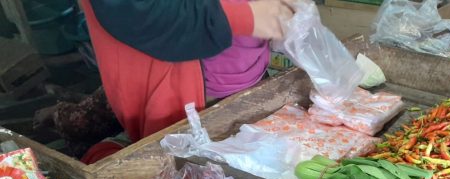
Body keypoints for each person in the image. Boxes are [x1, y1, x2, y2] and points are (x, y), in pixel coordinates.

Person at [80, 0, 294, 161]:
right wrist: (244, 17)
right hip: (186, 93)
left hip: (246, 73)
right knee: (187, 168)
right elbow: (135, 11)